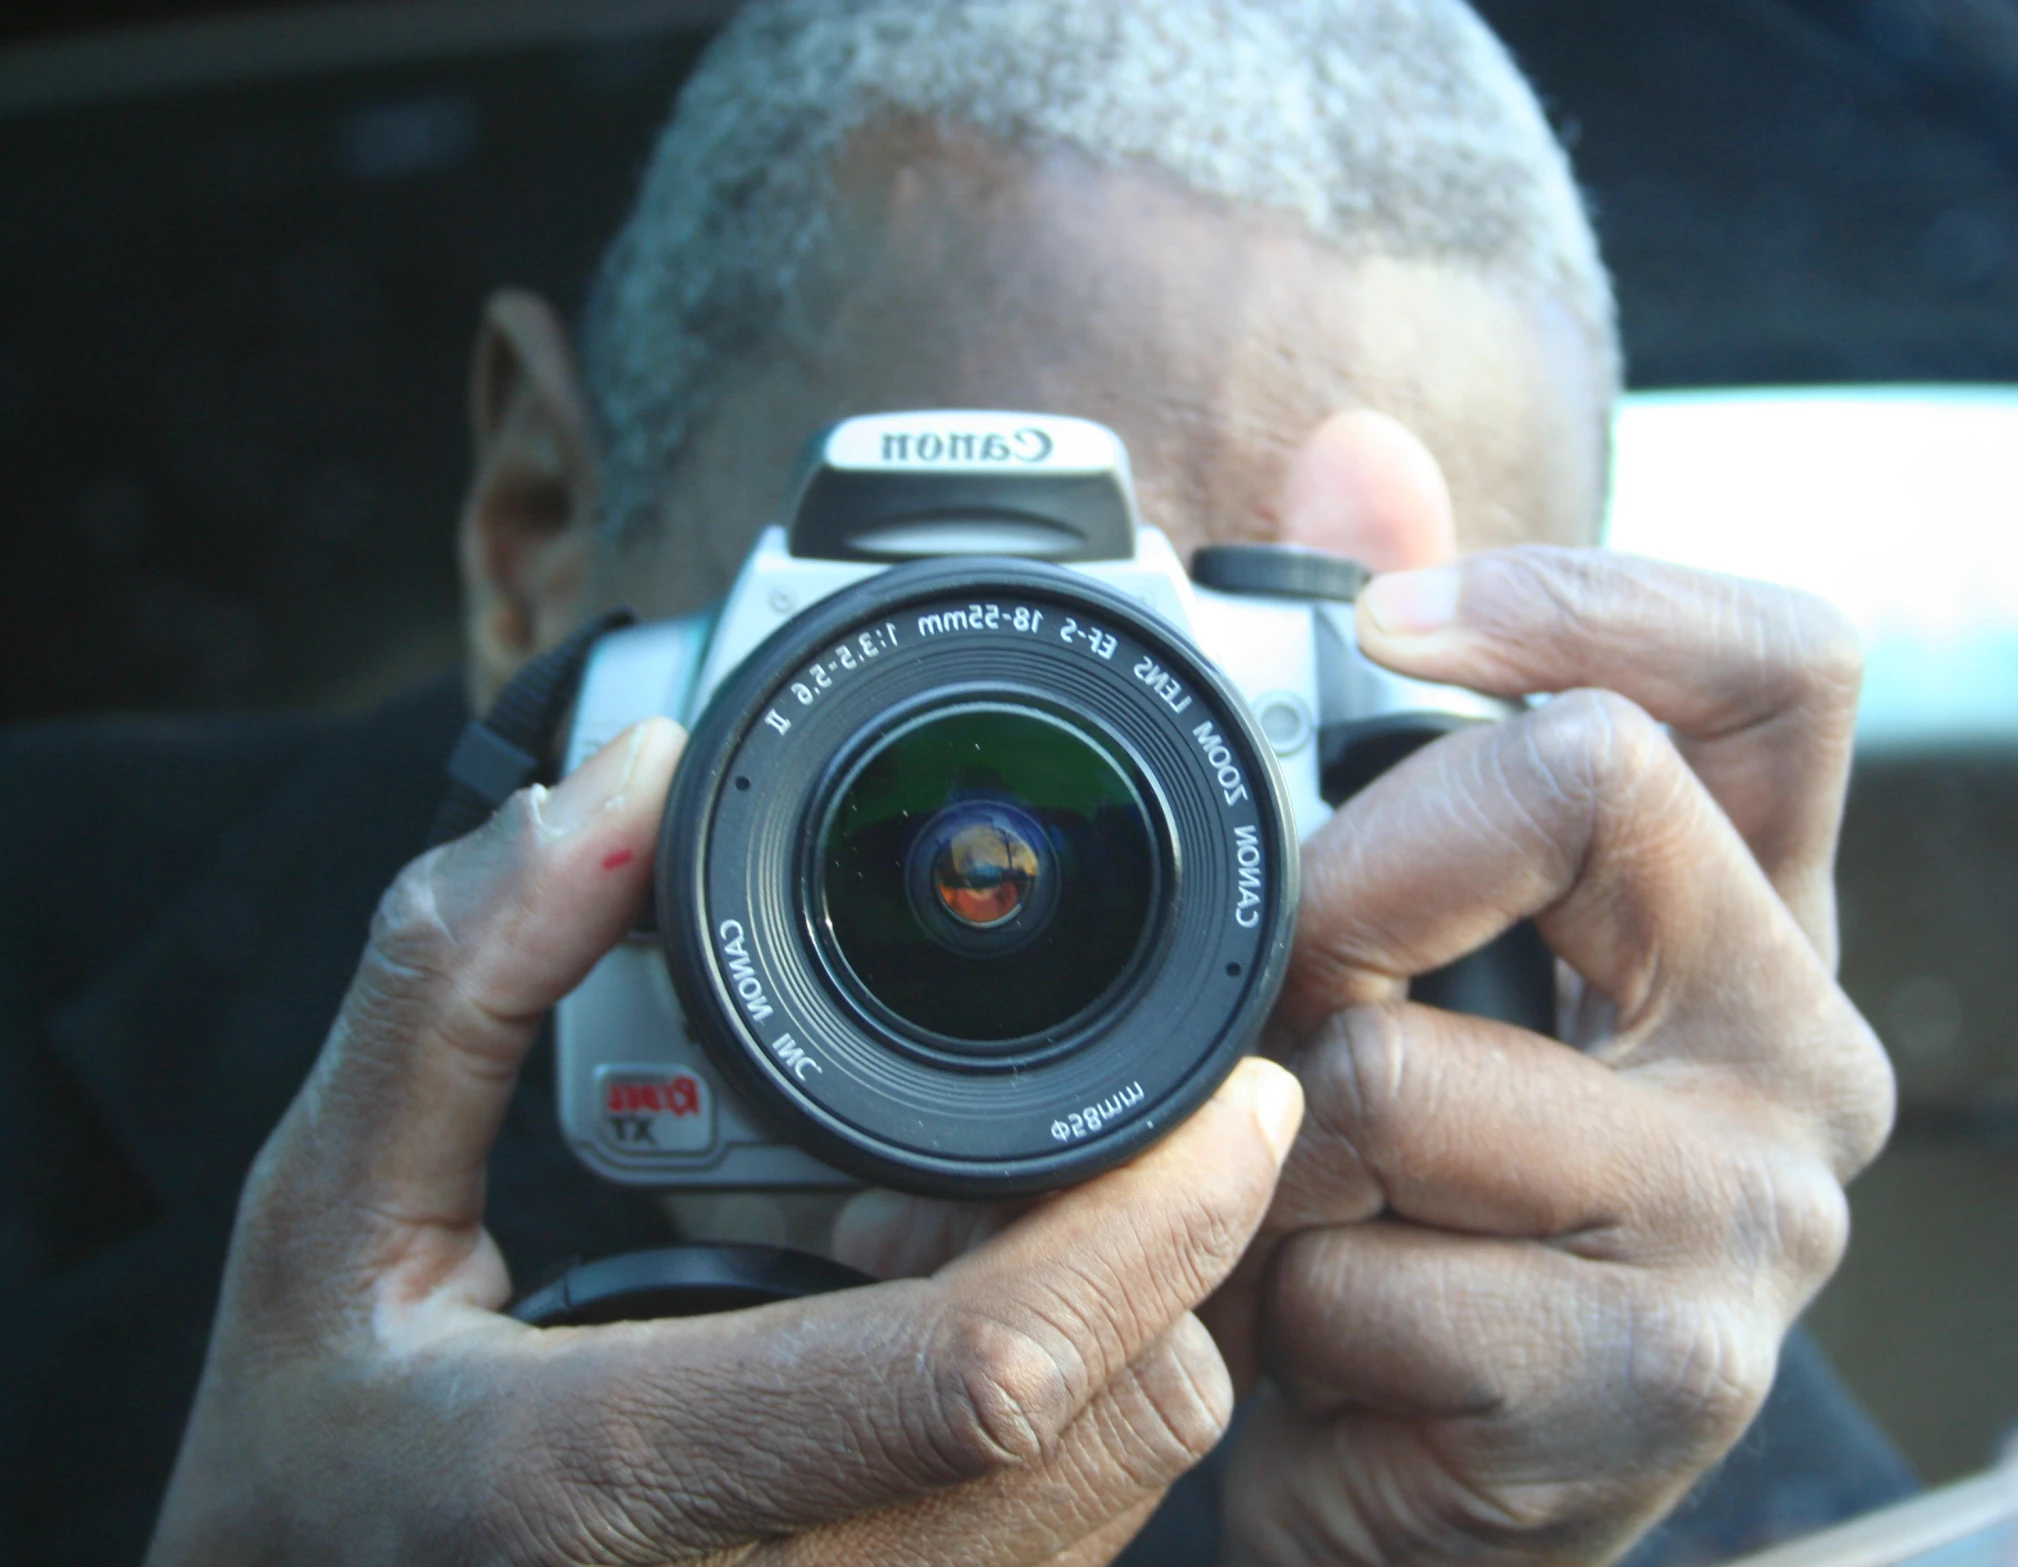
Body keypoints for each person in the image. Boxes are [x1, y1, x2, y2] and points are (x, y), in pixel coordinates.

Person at [0, 2, 1910, 1563]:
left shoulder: (1557, 1276)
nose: (1065, 874)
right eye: (937, 657)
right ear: (536, 545)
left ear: (1478, 763)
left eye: (1271, 743)